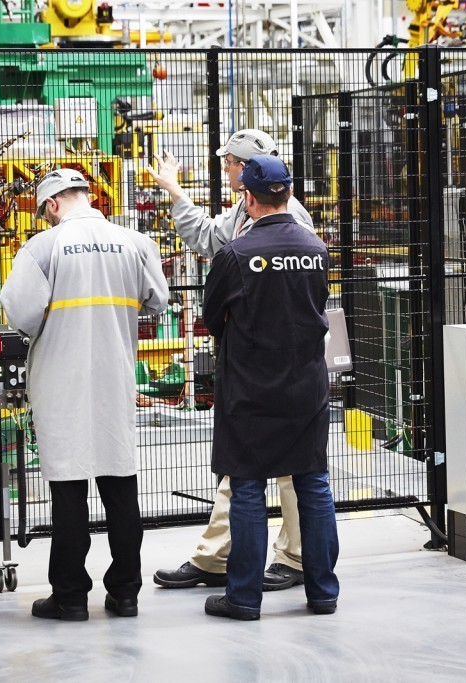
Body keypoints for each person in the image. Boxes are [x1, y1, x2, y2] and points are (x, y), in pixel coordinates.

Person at [0, 168, 169, 622]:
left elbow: (19, 314)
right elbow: (157, 300)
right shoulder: (136, 243)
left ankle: (70, 596)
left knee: (69, 490)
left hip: (61, 382)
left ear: (53, 203)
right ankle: (126, 593)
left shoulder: (43, 247)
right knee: (120, 484)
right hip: (115, 379)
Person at [146, 129, 310, 592]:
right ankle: (217, 558)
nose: (226, 169)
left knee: (292, 469)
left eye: (231, 163)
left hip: (282, 360)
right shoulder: (244, 210)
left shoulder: (292, 219)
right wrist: (174, 191)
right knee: (242, 463)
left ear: (250, 166)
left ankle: (296, 559)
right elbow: (208, 236)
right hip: (251, 360)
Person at [201, 155, 339, 620]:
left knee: (247, 488)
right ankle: (323, 592)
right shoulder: (316, 248)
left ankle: (243, 598)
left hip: (250, 390)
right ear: (289, 192)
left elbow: (212, 317)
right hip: (306, 386)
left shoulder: (235, 254)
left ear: (248, 198)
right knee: (312, 483)